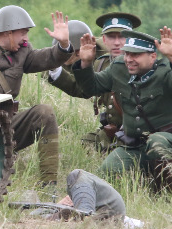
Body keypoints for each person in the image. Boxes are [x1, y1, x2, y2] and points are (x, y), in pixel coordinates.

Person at [73, 27, 172, 190]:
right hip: (135, 146)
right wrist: (85, 63)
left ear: (152, 57)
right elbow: (92, 87)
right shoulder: (119, 68)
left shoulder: (166, 72)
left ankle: (169, 192)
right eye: (127, 54)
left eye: (135, 55)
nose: (128, 59)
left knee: (157, 143)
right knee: (108, 170)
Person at [0, 7, 73, 186]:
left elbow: (49, 58)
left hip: (4, 127)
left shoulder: (23, 53)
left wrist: (64, 45)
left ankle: (49, 188)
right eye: (23, 33)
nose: (26, 38)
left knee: (44, 114)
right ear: (8, 32)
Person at [47, 12, 140, 152]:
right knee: (83, 147)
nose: (116, 42)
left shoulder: (142, 63)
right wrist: (55, 65)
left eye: (122, 36)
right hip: (113, 132)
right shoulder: (102, 63)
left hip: (140, 133)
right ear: (103, 39)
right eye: (111, 37)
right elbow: (84, 89)